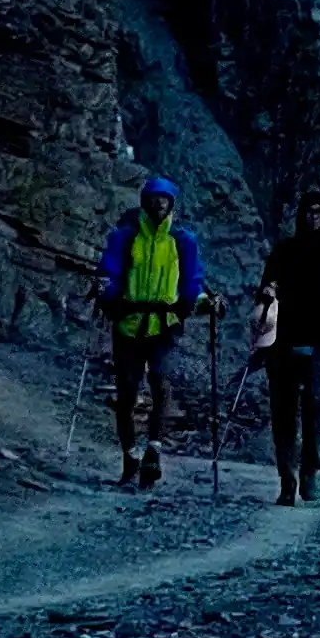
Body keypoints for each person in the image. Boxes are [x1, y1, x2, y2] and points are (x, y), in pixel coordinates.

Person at [94, 176, 201, 488]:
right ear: (145, 202)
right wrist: (106, 290)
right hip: (129, 322)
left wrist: (197, 301)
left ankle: (152, 450)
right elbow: (110, 271)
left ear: (172, 204)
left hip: (164, 324)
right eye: (154, 198)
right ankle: (131, 457)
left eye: (164, 199)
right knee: (127, 393)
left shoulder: (183, 241)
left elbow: (192, 280)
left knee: (160, 382)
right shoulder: (125, 238)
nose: (159, 204)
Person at [259, 190, 320, 505]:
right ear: (301, 215)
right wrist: (269, 291)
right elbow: (266, 286)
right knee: (283, 414)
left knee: (314, 412)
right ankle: (287, 479)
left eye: (319, 212)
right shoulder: (284, 251)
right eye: (309, 212)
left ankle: (309, 472)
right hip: (284, 342)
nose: (314, 217)